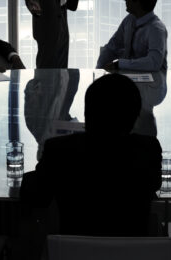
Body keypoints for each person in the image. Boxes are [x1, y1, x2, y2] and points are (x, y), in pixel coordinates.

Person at [20, 73, 163, 236]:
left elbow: (37, 195)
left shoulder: (60, 151)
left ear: (88, 113)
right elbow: (154, 184)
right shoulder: (147, 150)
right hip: (131, 251)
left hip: (73, 252)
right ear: (134, 117)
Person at [96, 0, 167, 72]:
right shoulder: (129, 20)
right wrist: (99, 70)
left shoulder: (156, 29)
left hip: (153, 83)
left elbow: (153, 62)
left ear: (138, 2)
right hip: (128, 78)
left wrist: (120, 64)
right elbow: (112, 47)